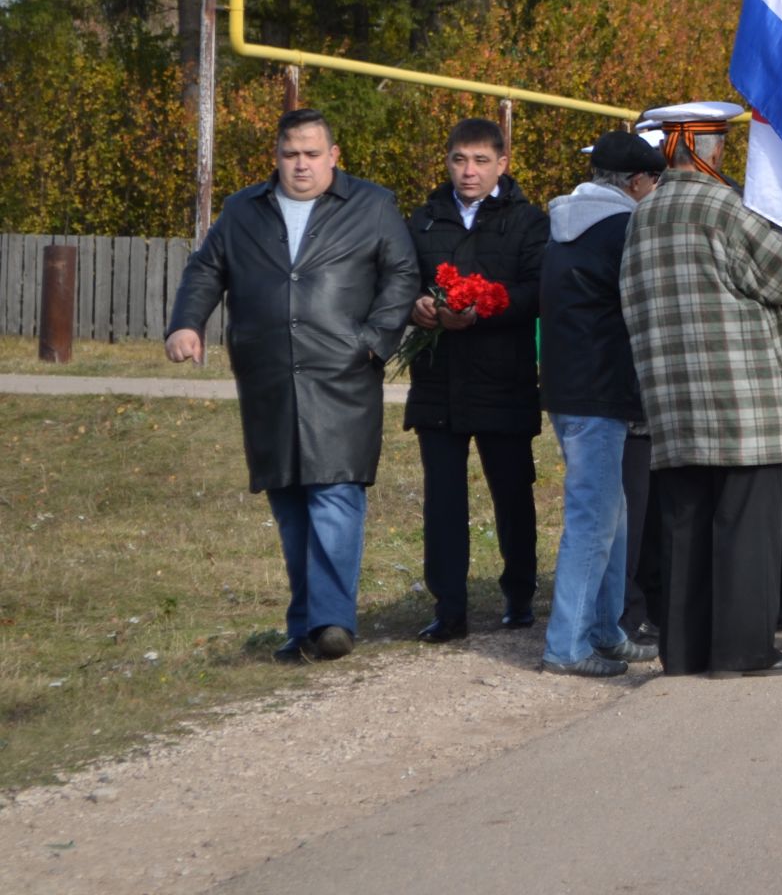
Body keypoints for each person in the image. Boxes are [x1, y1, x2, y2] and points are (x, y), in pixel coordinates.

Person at [165, 109, 417, 663]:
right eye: (289, 154)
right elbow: (206, 270)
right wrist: (186, 323)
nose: (300, 164)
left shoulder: (372, 206)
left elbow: (402, 273)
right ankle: (306, 624)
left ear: (334, 156)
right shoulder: (242, 210)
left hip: (343, 373)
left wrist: (374, 341)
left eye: (311, 153)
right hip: (270, 376)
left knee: (335, 491)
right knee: (289, 500)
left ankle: (330, 621)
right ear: (275, 157)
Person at [621, 101, 782, 678]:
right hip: (740, 399)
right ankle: (742, 652)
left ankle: (683, 652)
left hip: (672, 399)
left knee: (684, 528)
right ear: (705, 150)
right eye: (722, 146)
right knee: (746, 529)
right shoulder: (723, 205)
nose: (726, 155)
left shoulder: (643, 214)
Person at [404, 118, 548, 643]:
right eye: (460, 160)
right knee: (443, 499)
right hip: (438, 380)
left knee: (512, 494)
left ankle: (519, 595)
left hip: (503, 378)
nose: (469, 171)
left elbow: (538, 291)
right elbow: (398, 281)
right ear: (447, 162)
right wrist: (416, 307)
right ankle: (450, 607)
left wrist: (485, 307)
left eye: (481, 161)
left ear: (502, 164)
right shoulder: (422, 221)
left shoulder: (529, 222)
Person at [537, 131, 666, 678]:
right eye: (653, 183)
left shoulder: (565, 226)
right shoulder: (624, 230)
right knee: (593, 519)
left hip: (569, 388)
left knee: (612, 513)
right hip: (602, 391)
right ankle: (567, 645)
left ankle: (604, 629)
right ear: (636, 182)